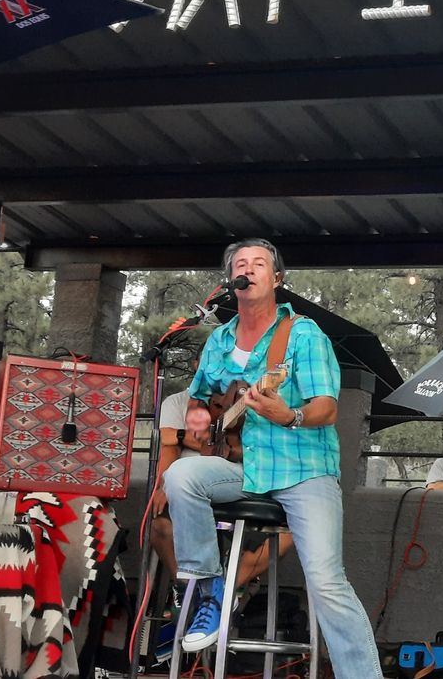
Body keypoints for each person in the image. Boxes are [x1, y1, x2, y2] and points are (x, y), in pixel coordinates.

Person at [164, 239, 382, 678]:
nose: (248, 270)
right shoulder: (219, 339)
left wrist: (291, 415)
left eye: (259, 264)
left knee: (326, 582)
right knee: (181, 474)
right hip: (242, 467)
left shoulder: (302, 334)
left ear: (276, 279)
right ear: (232, 281)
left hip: (305, 472)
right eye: (240, 265)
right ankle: (211, 593)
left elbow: (328, 407)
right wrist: (209, 428)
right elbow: (200, 402)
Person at [150, 387, 290, 583]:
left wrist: (181, 435)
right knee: (160, 524)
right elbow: (168, 446)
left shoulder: (248, 396)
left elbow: (239, 449)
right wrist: (164, 484)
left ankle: (227, 590)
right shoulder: (176, 401)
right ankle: (188, 589)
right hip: (187, 484)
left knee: (294, 527)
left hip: (239, 480)